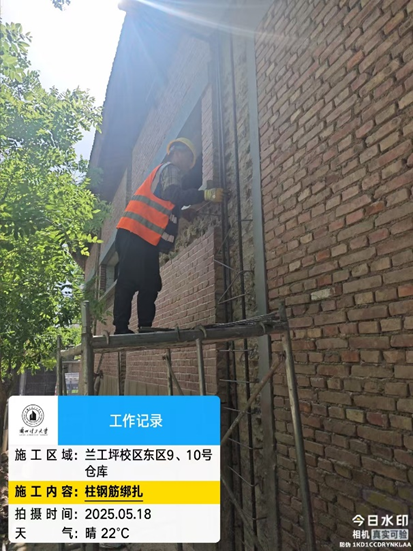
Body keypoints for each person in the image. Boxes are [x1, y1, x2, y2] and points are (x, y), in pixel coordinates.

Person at [113, 137, 223, 334]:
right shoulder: (170, 169)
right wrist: (205, 194)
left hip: (145, 238)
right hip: (134, 232)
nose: (189, 166)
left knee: (150, 283)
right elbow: (174, 194)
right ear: (177, 153)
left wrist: (183, 214)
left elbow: (167, 204)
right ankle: (121, 328)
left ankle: (145, 327)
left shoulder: (165, 174)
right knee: (128, 281)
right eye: (189, 159)